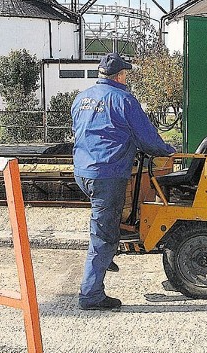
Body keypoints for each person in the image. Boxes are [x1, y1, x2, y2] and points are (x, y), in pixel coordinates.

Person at [71, 52, 176, 310]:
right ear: (119, 75)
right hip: (107, 175)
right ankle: (91, 295)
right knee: (103, 235)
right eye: (126, 74)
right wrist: (167, 151)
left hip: (83, 171)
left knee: (110, 219)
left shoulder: (81, 98)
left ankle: (107, 256)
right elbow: (148, 139)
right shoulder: (124, 100)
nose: (126, 78)